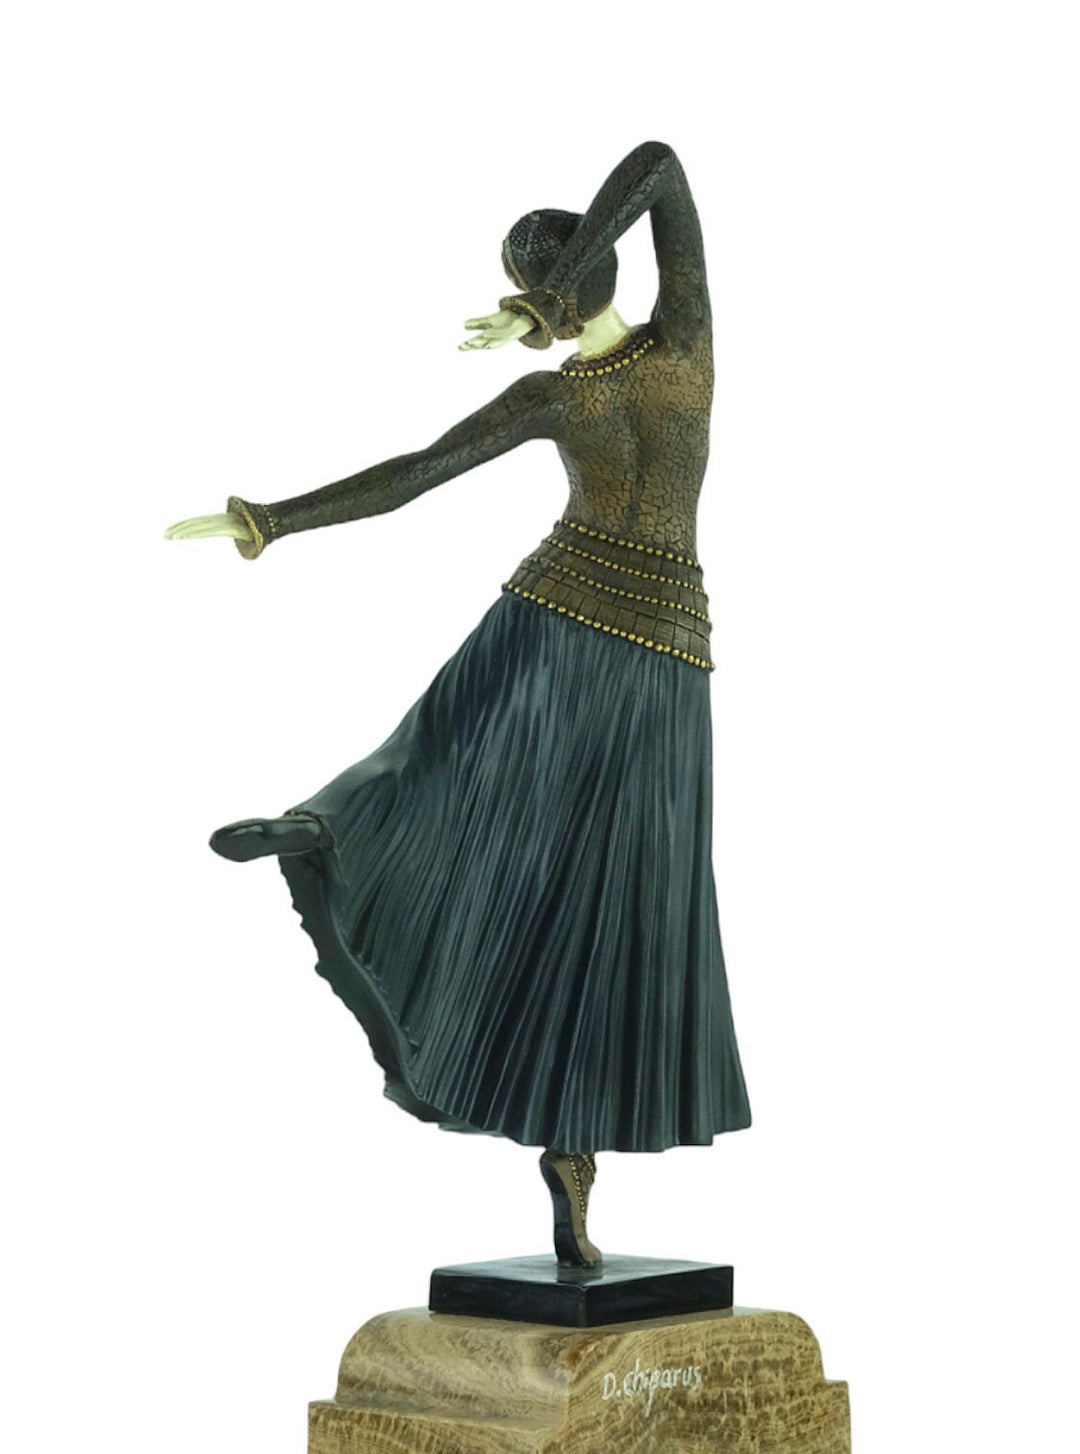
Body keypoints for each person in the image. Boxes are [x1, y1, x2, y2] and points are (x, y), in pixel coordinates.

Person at [167, 140, 751, 1267]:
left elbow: (413, 474)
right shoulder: (687, 350)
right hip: (664, 647)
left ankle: (334, 830)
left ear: (544, 296)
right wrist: (556, 293)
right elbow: (662, 171)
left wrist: (270, 521)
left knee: (445, 766)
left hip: (551, 613)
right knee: (613, 899)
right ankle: (571, 1152)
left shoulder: (554, 394)